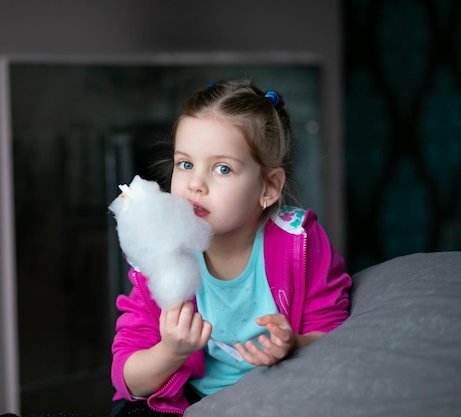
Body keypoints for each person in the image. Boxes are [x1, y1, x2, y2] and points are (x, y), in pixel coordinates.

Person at [110, 79, 351, 416]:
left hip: (275, 399)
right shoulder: (162, 251)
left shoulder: (300, 241)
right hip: (188, 404)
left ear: (268, 187)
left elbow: (340, 335)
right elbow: (128, 381)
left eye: (222, 168)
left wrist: (295, 344)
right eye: (185, 164)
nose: (195, 183)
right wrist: (171, 351)